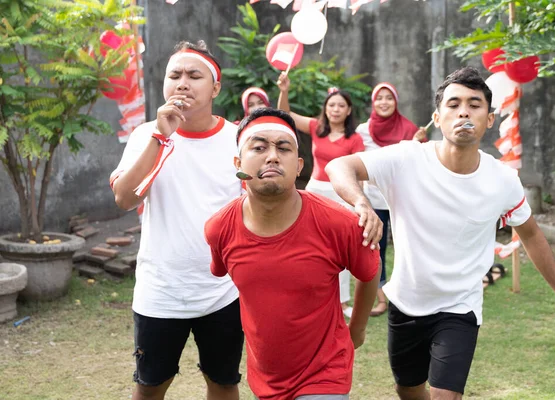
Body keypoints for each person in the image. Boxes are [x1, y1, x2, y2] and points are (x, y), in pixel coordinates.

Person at [325, 67, 555, 400]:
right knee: (408, 389)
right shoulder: (407, 158)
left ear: (489, 119)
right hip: (406, 303)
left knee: (446, 395)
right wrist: (361, 202)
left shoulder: (502, 180)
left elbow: (531, 235)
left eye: (474, 104)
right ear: (437, 116)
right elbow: (339, 166)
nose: (464, 111)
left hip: (460, 308)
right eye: (454, 104)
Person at [204, 107, 381, 400]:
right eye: (259, 147)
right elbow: (223, 272)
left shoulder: (341, 224)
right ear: (238, 162)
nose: (272, 156)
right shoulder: (219, 228)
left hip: (326, 373)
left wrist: (357, 329)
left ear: (299, 166)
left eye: (283, 148)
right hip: (265, 379)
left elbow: (369, 270)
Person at [110, 40, 244, 400]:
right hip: (161, 291)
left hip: (223, 292)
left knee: (223, 383)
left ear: (215, 87)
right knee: (150, 387)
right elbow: (124, 198)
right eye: (175, 75)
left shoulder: (239, 140)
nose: (183, 83)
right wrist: (160, 136)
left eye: (194, 75)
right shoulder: (145, 135)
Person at [277, 71, 366, 318]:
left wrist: (360, 201)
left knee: (342, 247)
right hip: (316, 190)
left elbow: (358, 173)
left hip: (343, 193)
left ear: (348, 111)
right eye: (332, 105)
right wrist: (284, 90)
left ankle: (343, 301)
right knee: (307, 244)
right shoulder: (317, 128)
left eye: (341, 106)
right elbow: (286, 116)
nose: (335, 109)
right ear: (325, 109)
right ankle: (306, 293)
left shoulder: (355, 138)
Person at [356, 82, 428, 316]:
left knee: (408, 245)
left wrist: (419, 144)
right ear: (373, 102)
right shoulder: (362, 130)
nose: (384, 102)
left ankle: (409, 292)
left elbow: (419, 163)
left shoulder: (410, 130)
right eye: (380, 98)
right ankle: (380, 298)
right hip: (373, 199)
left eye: (389, 98)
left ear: (396, 102)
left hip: (402, 197)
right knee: (375, 247)